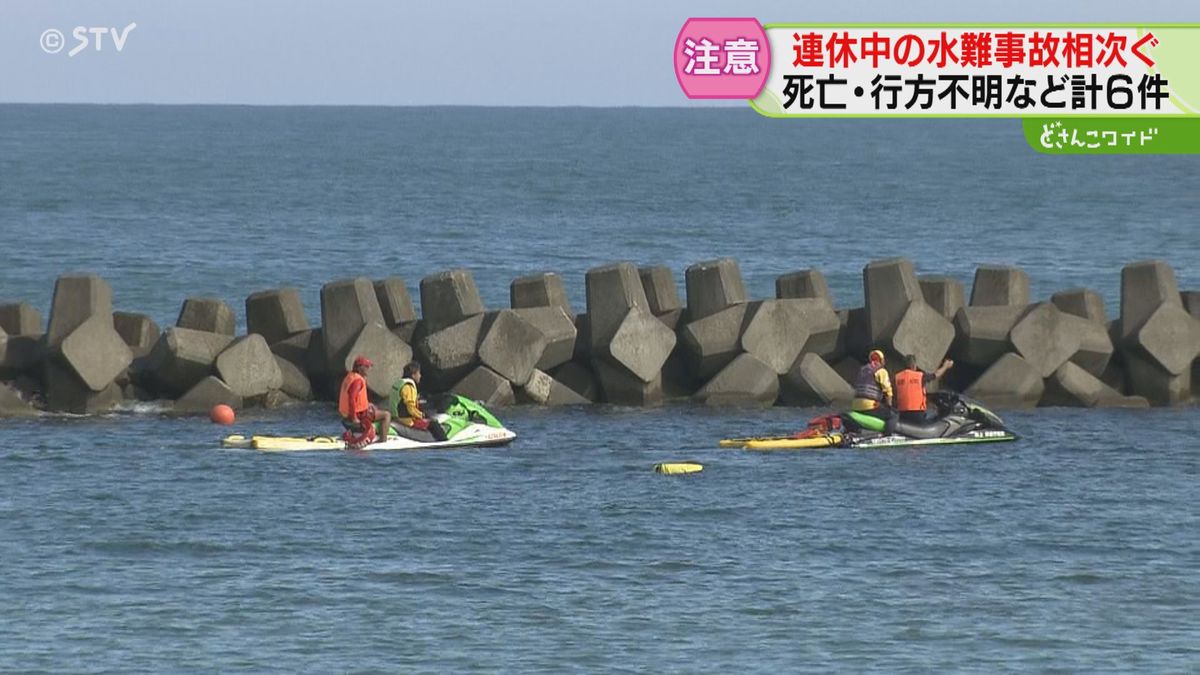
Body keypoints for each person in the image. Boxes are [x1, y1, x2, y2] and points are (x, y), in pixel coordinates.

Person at [338, 356, 391, 447]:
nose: (368, 369)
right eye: (366, 367)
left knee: (374, 409)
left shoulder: (350, 376)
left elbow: (355, 398)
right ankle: (383, 441)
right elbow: (351, 398)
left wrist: (368, 404)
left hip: (346, 413)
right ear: (359, 368)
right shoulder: (358, 381)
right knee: (386, 415)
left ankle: (359, 433)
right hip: (359, 414)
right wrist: (354, 418)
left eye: (368, 366)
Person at [390, 361, 448, 442]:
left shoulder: (399, 383)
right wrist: (423, 415)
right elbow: (411, 409)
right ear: (413, 375)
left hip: (396, 417)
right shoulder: (409, 387)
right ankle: (444, 442)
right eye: (419, 373)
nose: (420, 376)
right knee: (434, 423)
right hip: (406, 420)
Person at [895, 355, 955, 423]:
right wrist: (946, 366)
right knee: (935, 412)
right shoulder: (920, 376)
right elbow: (936, 375)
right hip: (917, 415)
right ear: (914, 365)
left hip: (902, 414)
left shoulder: (897, 377)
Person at [852, 349, 896, 431]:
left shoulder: (862, 370)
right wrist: (889, 407)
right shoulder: (881, 371)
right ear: (882, 360)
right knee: (893, 416)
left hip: (855, 405)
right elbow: (888, 391)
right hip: (869, 406)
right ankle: (888, 435)